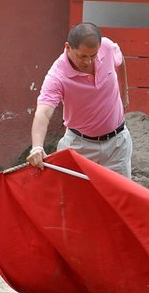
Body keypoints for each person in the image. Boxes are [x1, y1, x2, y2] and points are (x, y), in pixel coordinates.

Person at [27, 22, 133, 178]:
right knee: (75, 201)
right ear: (68, 47)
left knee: (120, 200)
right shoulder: (57, 75)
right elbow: (43, 112)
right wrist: (37, 147)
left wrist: (125, 93)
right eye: (82, 56)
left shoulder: (107, 47)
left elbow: (120, 59)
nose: (88, 62)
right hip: (79, 148)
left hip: (117, 145)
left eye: (93, 55)